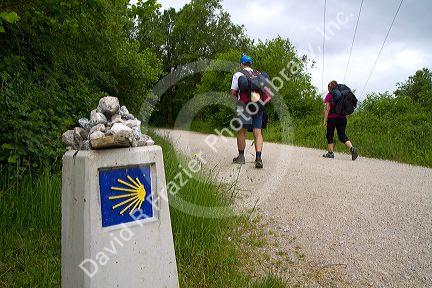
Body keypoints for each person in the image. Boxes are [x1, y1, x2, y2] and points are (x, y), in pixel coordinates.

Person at [230, 55, 264, 169]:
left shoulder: (238, 75)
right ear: (251, 64)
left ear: (241, 64)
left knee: (241, 131)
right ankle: (258, 159)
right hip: (258, 105)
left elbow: (233, 93)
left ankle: (241, 157)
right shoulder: (258, 74)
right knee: (257, 131)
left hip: (243, 106)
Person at [323, 80, 359, 160]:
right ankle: (352, 148)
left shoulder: (329, 95)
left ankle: (330, 153)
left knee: (330, 135)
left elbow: (327, 109)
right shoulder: (344, 95)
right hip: (343, 118)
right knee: (342, 135)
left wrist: (325, 120)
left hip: (332, 118)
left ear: (330, 88)